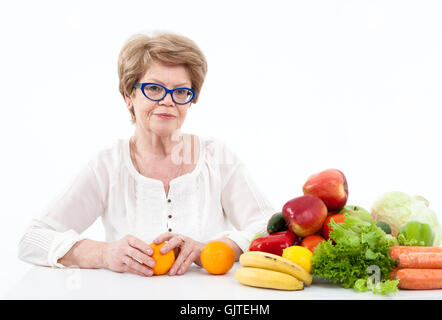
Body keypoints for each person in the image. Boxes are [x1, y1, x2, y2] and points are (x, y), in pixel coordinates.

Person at [18, 31, 275, 277]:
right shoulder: (107, 164)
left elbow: (270, 226)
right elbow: (32, 239)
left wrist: (214, 249)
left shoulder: (216, 157)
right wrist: (103, 253)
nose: (168, 101)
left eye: (181, 91)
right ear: (129, 95)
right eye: (154, 88)